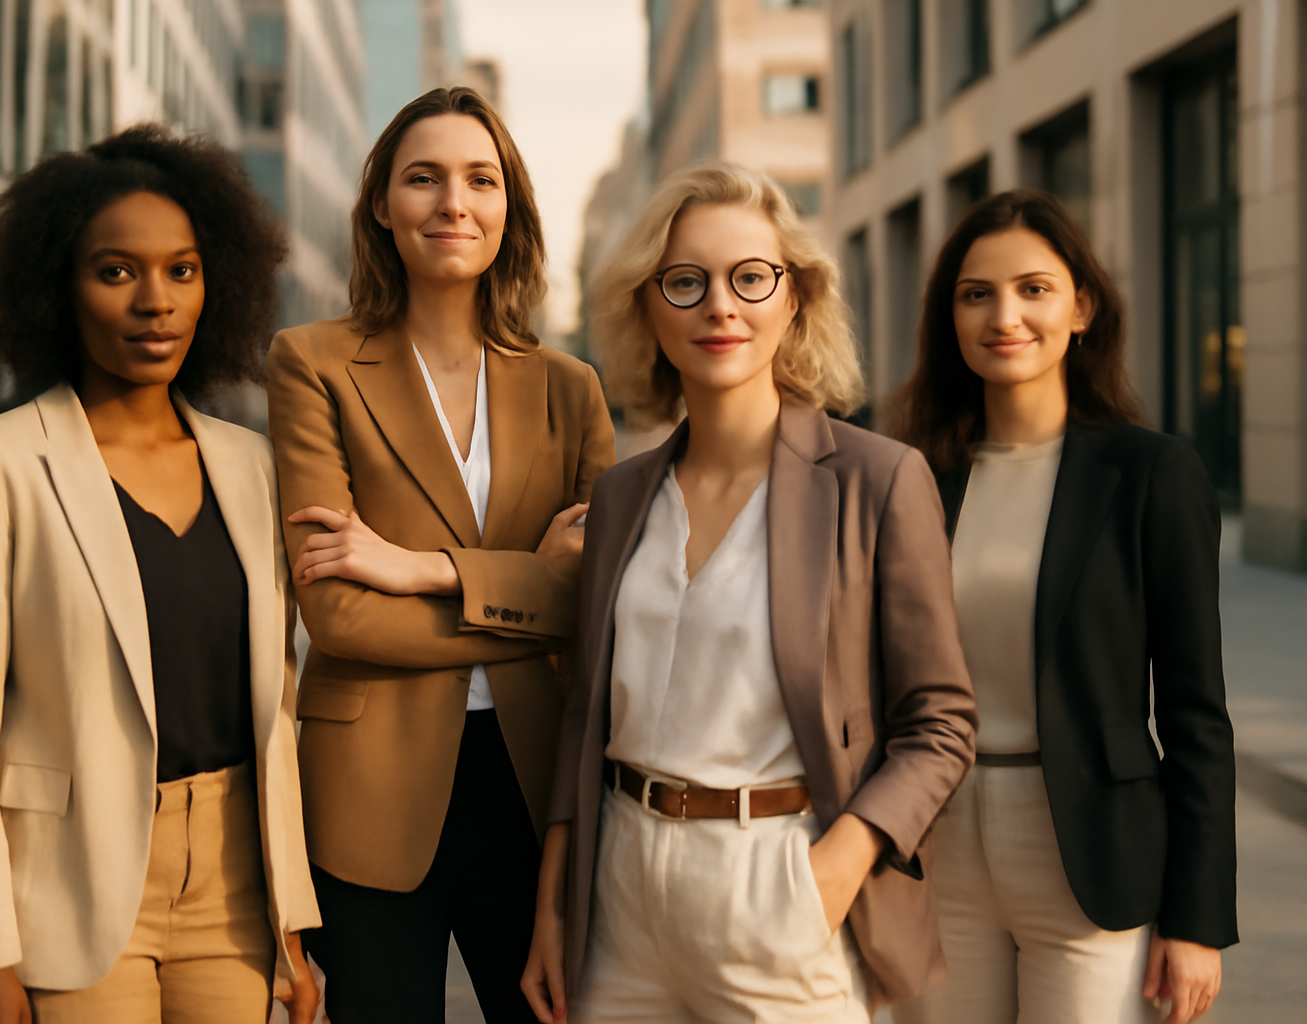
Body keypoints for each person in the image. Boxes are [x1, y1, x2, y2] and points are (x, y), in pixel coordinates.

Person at [522, 163, 978, 1024]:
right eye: (685, 282)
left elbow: (942, 721)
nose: (719, 308)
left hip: (777, 879)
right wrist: (553, 904)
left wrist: (837, 868)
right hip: (622, 889)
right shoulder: (621, 495)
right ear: (648, 309)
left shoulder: (877, 481)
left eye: (751, 278)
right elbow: (588, 710)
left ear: (794, 299)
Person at [0, 124, 319, 1024]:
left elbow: (274, 709)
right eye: (116, 271)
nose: (156, 302)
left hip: (234, 891)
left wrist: (291, 920)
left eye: (182, 269)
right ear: (59, 286)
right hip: (69, 891)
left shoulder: (252, 467)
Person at [266, 87, 616, 1024]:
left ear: (509, 208)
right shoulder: (313, 364)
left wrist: (424, 568)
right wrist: (531, 588)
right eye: (424, 178)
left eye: (480, 179)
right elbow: (337, 611)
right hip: (367, 797)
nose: (453, 202)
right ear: (382, 203)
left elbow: (608, 595)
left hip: (536, 789)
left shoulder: (570, 389)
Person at [888, 190, 1237, 1024]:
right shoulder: (911, 477)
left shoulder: (1151, 474)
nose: (1004, 315)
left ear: (1081, 307)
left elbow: (1197, 715)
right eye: (976, 294)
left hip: (1092, 849)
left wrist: (1196, 922)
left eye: (1033, 289)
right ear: (950, 318)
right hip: (940, 844)